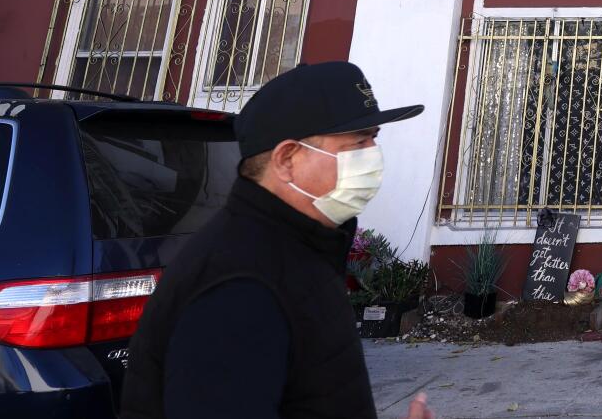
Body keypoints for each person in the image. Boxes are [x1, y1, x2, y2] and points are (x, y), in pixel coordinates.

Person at [121, 61, 439, 419]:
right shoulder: (239, 286)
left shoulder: (302, 248)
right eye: (357, 143)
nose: (372, 156)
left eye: (373, 139)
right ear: (287, 159)